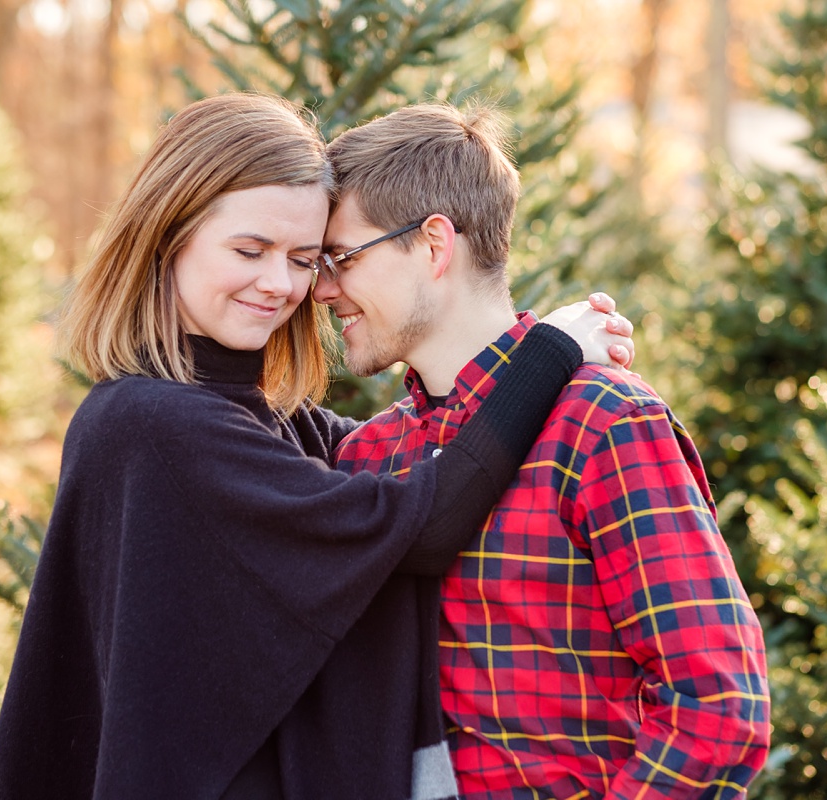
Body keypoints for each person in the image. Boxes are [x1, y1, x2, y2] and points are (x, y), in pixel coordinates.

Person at [0, 93, 636, 800]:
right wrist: (551, 354)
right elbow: (424, 520)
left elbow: (413, 454)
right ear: (170, 234)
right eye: (250, 250)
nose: (283, 285)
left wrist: (533, 379)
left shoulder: (263, 418)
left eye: (306, 258)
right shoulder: (150, 424)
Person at [313, 103, 771, 799]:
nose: (322, 289)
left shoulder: (603, 426)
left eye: (342, 258)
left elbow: (717, 704)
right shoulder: (370, 458)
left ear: (434, 246)